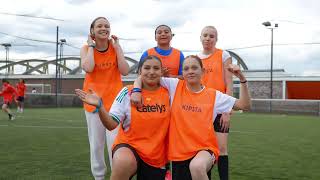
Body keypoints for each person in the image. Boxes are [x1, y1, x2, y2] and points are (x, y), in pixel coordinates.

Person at [131, 55, 251, 180]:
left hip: (205, 151)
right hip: (179, 155)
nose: (190, 71)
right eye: (186, 68)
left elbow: (245, 105)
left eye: (194, 67)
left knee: (197, 167)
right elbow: (146, 76)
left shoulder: (214, 95)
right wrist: (136, 90)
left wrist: (242, 79)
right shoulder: (175, 86)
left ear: (202, 71)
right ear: (182, 73)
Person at [76, 55, 170, 180]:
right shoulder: (126, 92)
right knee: (123, 162)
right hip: (129, 147)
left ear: (161, 71)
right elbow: (111, 124)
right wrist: (100, 106)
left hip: (157, 156)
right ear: (139, 71)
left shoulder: (169, 93)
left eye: (156, 68)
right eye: (147, 68)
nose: (151, 72)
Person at [80, 17, 129, 180]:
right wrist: (92, 46)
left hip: (114, 105)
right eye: (99, 26)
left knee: (115, 144)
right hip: (94, 103)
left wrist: (119, 49)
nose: (104, 28)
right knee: (96, 145)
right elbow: (88, 67)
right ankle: (99, 177)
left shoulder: (115, 48)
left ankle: (117, 176)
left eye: (107, 26)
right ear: (92, 31)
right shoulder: (86, 48)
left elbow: (125, 71)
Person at [198, 26, 233, 180]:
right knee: (205, 150)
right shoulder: (196, 58)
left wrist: (227, 110)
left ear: (216, 39)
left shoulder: (223, 55)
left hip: (220, 109)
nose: (208, 38)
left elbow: (229, 83)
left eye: (211, 36)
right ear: (200, 37)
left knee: (222, 148)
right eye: (205, 35)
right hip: (201, 110)